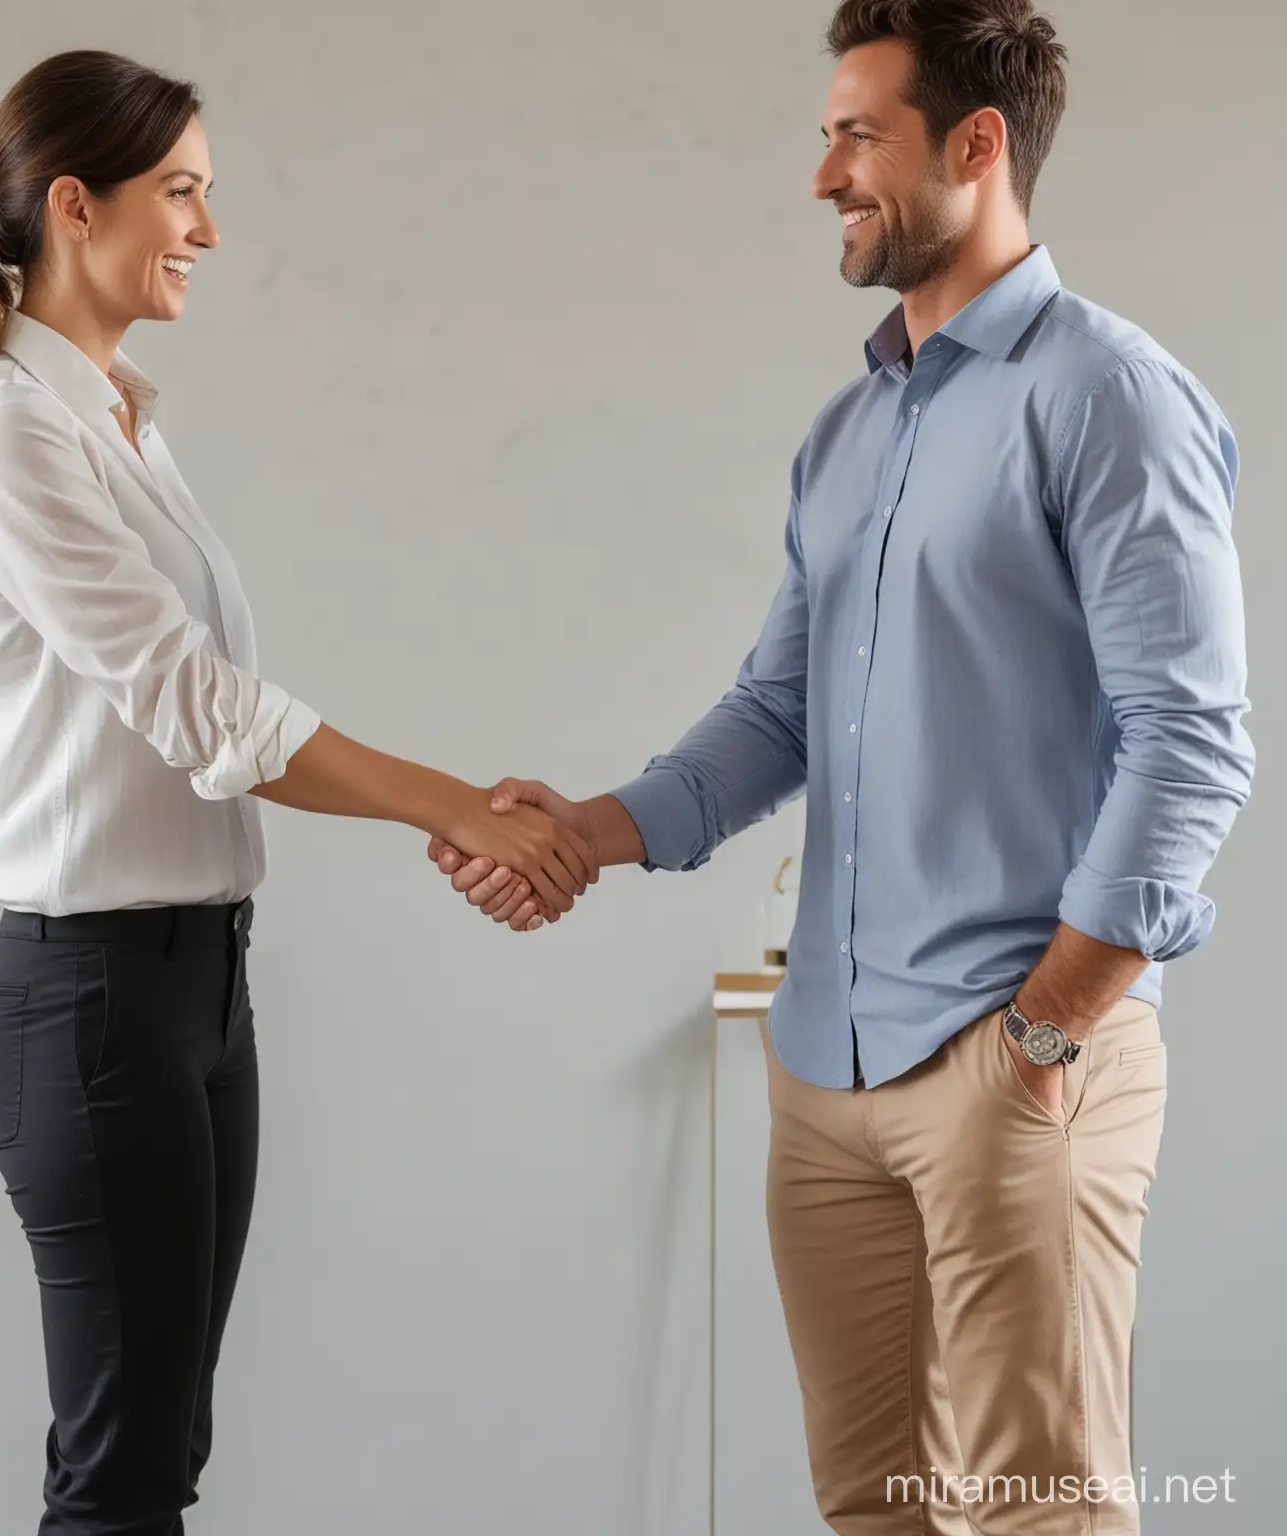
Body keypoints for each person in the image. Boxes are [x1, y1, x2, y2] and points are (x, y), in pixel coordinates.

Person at [430, 2, 1254, 1530]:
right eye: (828, 137)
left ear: (976, 142)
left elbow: (1193, 741)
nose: (825, 177)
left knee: (1040, 1512)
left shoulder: (1109, 397)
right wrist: (586, 830)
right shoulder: (850, 431)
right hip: (826, 1073)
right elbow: (778, 713)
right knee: (870, 1507)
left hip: (1016, 1058)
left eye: (857, 134)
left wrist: (1050, 1033)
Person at [0, 49, 596, 1536]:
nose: (208, 229)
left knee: (161, 1459)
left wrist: (458, 808)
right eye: (184, 194)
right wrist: (459, 807)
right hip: (91, 1006)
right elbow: (210, 713)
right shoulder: (12, 432)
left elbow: (203, 716)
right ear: (77, 206)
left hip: (196, 993)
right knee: (123, 1478)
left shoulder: (118, 416)